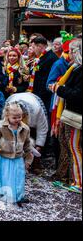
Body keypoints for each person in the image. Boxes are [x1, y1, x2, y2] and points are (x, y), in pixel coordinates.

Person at [50, 39, 82, 192]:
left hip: (76, 114)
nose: (69, 55)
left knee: (75, 148)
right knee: (72, 147)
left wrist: (58, 89)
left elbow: (77, 95)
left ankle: (78, 182)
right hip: (73, 113)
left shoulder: (80, 70)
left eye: (71, 51)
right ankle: (73, 179)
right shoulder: (75, 68)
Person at [0, 102, 33, 206]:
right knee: (6, 176)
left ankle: (18, 195)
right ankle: (7, 194)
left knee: (18, 176)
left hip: (17, 157)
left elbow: (27, 143)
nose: (17, 119)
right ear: (7, 116)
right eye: (14, 117)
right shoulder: (0, 125)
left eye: (19, 117)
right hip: (4, 156)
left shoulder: (25, 128)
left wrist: (28, 156)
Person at [5, 92, 49, 175]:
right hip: (14, 98)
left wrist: (39, 146)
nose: (19, 120)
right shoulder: (7, 111)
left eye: (21, 117)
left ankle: (36, 164)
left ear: (25, 115)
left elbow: (42, 130)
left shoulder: (37, 110)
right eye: (16, 117)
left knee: (33, 144)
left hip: (35, 101)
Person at [28, 36, 59, 113]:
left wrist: (38, 96)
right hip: (38, 93)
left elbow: (45, 78)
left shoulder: (50, 58)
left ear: (40, 46)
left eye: (33, 47)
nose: (33, 50)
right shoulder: (43, 56)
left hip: (44, 96)